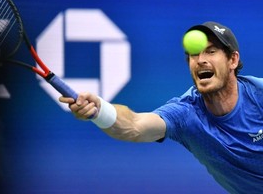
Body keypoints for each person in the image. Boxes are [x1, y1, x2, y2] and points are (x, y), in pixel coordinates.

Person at [59, 21, 263, 194]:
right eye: (193, 54)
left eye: (211, 51)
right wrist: (99, 110)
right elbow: (134, 126)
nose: (201, 60)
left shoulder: (258, 94)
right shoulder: (185, 114)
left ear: (233, 60)